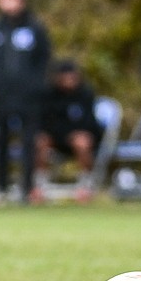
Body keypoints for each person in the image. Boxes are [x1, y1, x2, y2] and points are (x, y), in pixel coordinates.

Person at [0, 0, 52, 203]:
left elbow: (44, 61)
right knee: (1, 141)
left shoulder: (35, 28)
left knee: (29, 142)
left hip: (29, 98)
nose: (13, 3)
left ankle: (27, 188)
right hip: (0, 97)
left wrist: (36, 86)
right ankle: (2, 187)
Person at [34, 58, 103, 202]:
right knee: (40, 141)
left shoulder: (85, 94)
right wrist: (63, 134)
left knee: (82, 142)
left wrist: (74, 133)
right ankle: (39, 184)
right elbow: (45, 122)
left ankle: (86, 184)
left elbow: (90, 123)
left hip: (76, 138)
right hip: (56, 138)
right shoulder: (48, 95)